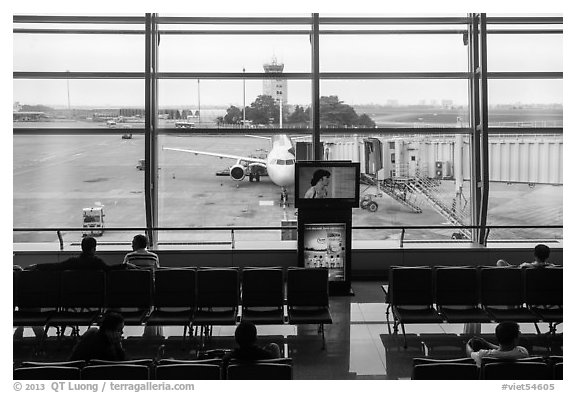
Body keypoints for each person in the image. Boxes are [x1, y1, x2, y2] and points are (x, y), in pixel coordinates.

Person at [31, 236, 110, 271]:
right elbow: (110, 269)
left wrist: (37, 266)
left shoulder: (73, 262)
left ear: (82, 248)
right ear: (94, 249)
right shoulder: (97, 263)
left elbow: (56, 266)